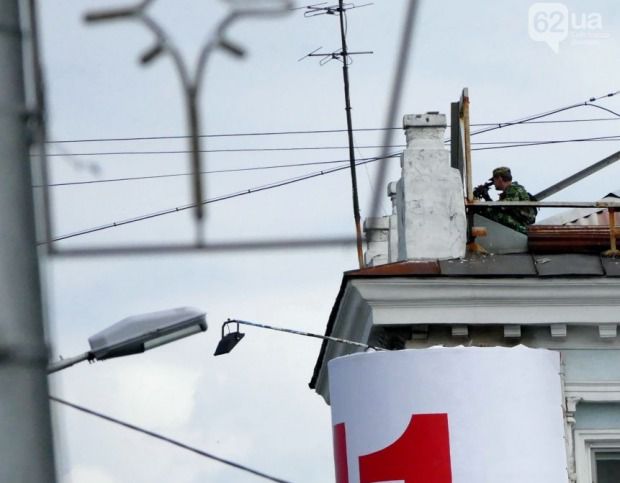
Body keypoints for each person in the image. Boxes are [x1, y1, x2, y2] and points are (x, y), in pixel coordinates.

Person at [474, 167, 537, 234]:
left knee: (490, 212)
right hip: (519, 220)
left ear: (500, 179)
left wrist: (487, 198)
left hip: (522, 225)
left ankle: (478, 233)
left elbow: (502, 206)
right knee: (489, 210)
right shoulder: (509, 190)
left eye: (494, 180)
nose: (494, 183)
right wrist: (486, 198)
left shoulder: (514, 189)